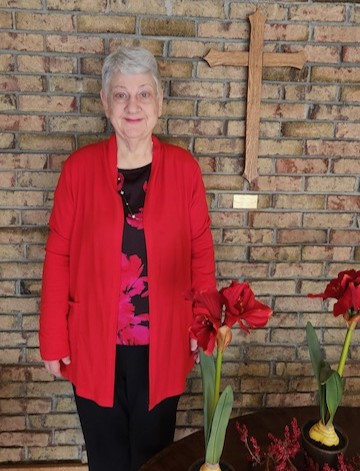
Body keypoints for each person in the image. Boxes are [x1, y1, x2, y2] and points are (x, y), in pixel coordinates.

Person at [39, 46, 216, 471]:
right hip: (92, 342)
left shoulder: (184, 169)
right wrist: (52, 337)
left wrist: (204, 320)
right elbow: (58, 254)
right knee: (107, 457)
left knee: (155, 457)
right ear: (104, 102)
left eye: (143, 94)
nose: (132, 106)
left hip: (165, 341)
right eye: (120, 95)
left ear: (159, 102)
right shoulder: (77, 171)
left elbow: (201, 250)